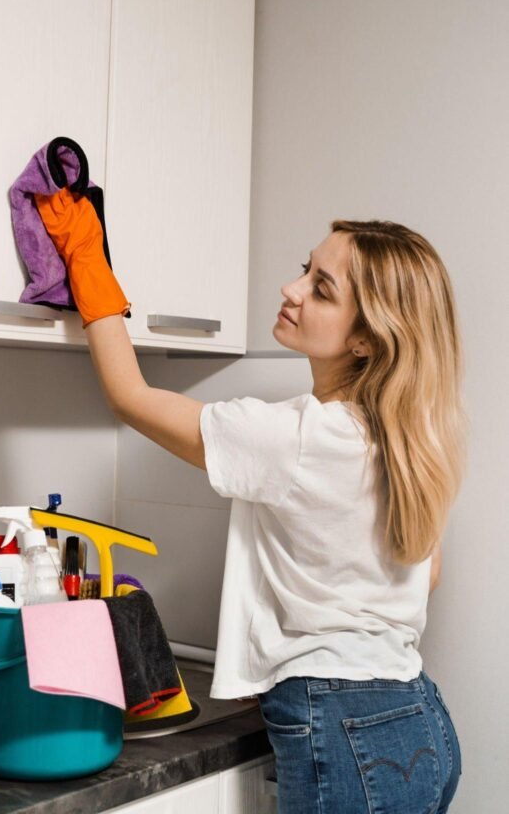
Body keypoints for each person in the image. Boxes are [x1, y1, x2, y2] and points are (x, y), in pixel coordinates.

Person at [37, 192, 465, 813]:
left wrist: (85, 256)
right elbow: (426, 574)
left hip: (342, 722)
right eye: (304, 268)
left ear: (368, 338)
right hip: (418, 717)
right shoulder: (410, 435)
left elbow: (129, 395)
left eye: (321, 289)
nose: (291, 289)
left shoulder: (297, 436)